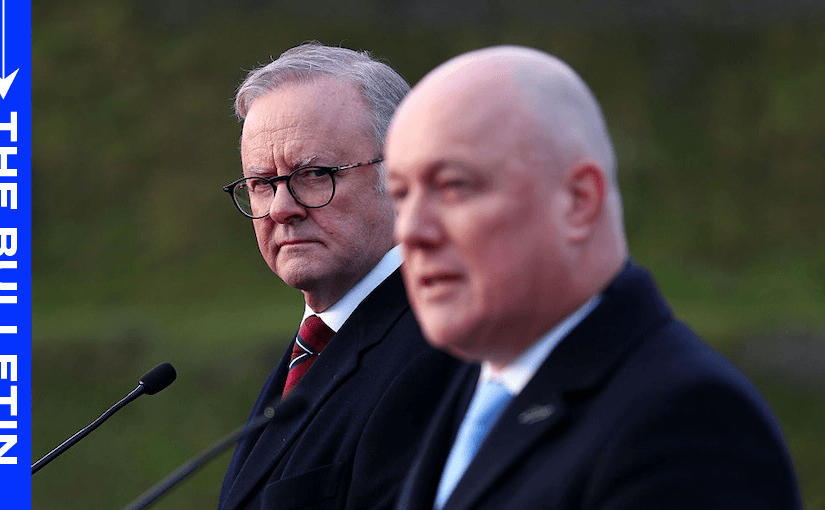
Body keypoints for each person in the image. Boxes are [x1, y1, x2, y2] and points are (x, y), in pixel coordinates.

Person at [384, 45, 801, 510]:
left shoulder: (688, 423)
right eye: (400, 195)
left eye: (452, 186)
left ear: (579, 202)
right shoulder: (472, 384)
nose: (411, 232)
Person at [217, 42, 460, 510]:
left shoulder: (441, 346)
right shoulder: (316, 341)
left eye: (314, 174)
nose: (282, 209)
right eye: (262, 184)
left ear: (401, 174)